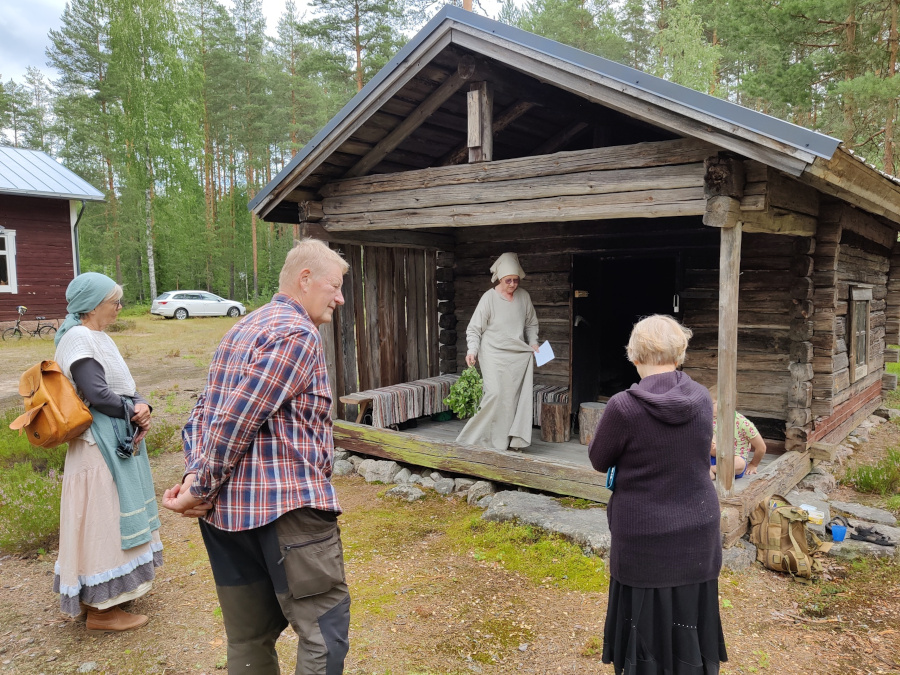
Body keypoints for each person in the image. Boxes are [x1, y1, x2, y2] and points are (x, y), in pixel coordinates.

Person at [162, 238, 351, 675]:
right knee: (324, 629)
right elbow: (238, 419)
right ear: (305, 279)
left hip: (226, 518)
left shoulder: (242, 328)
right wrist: (201, 485)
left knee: (248, 638)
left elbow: (202, 414)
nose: (340, 297)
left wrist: (196, 479)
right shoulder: (297, 333)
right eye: (335, 286)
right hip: (289, 513)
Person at [588, 315, 727, 674]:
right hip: (698, 529)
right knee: (689, 622)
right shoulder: (699, 397)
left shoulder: (622, 406)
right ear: (679, 353)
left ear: (634, 356)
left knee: (643, 629)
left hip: (644, 535)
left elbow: (598, 460)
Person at [53, 272, 160, 632]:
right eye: (114, 300)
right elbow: (97, 395)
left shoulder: (96, 337)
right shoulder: (77, 337)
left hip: (112, 439)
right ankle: (102, 611)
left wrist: (141, 404)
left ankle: (108, 596)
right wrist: (134, 412)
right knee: (102, 518)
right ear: (93, 304)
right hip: (98, 445)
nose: (119, 306)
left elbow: (123, 386)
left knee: (111, 512)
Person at [456, 252, 539, 451]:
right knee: (494, 393)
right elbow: (474, 328)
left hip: (517, 355)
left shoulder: (524, 297)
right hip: (492, 353)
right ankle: (474, 439)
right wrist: (472, 350)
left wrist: (534, 342)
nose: (513, 284)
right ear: (500, 279)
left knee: (511, 399)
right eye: (508, 280)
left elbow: (531, 324)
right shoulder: (489, 298)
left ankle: (509, 440)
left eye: (516, 280)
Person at [708, 386, 767, 480]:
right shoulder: (708, 419)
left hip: (731, 463)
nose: (707, 406)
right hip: (712, 458)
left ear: (726, 404)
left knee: (739, 463)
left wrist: (753, 464)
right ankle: (710, 472)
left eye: (712, 403)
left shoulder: (743, 423)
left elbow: (761, 447)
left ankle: (710, 470)